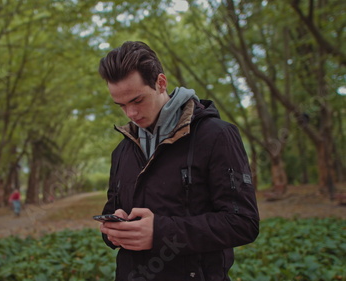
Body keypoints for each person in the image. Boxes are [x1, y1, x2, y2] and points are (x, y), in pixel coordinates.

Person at [97, 41, 259, 280]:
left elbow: (242, 222)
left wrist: (160, 232)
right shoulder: (121, 151)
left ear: (161, 83)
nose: (130, 114)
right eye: (121, 105)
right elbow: (111, 211)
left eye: (137, 100)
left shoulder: (216, 136)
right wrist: (113, 229)